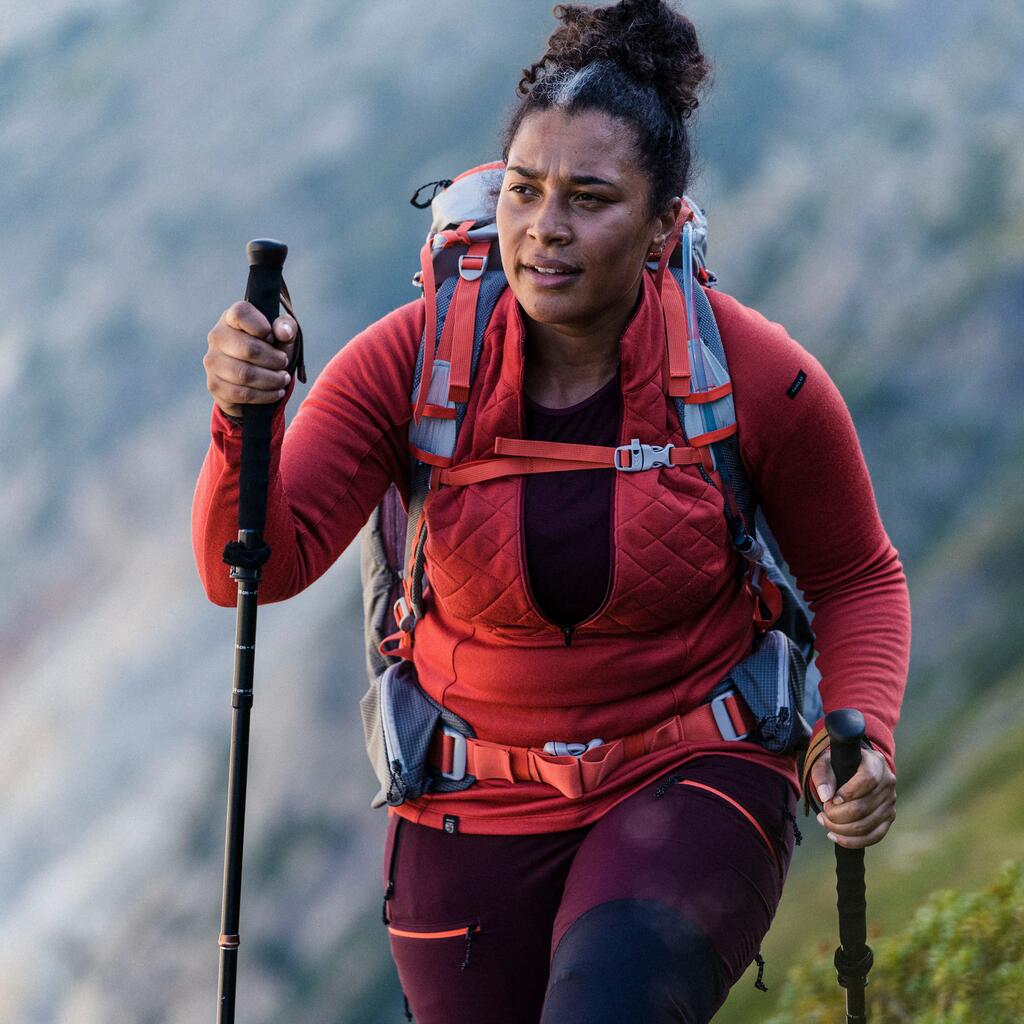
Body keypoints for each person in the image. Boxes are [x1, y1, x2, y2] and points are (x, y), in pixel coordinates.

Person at [193, 1, 910, 1020]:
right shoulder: (408, 362)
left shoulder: (752, 376)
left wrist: (862, 734)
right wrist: (238, 418)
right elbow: (239, 567)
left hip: (693, 769)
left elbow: (856, 575)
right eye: (524, 193)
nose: (546, 230)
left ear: (664, 223)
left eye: (589, 198)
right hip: (465, 797)